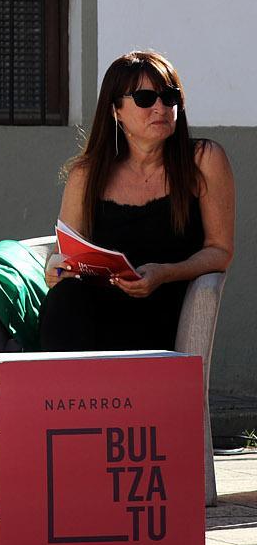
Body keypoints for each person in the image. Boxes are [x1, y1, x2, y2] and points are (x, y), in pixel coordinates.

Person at [41, 50, 235, 350]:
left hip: (164, 308)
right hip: (96, 307)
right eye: (145, 98)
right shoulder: (87, 174)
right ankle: (51, 391)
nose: (160, 107)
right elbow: (59, 256)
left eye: (170, 97)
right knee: (65, 298)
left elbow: (220, 251)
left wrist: (163, 273)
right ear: (116, 110)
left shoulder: (204, 160)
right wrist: (56, 269)